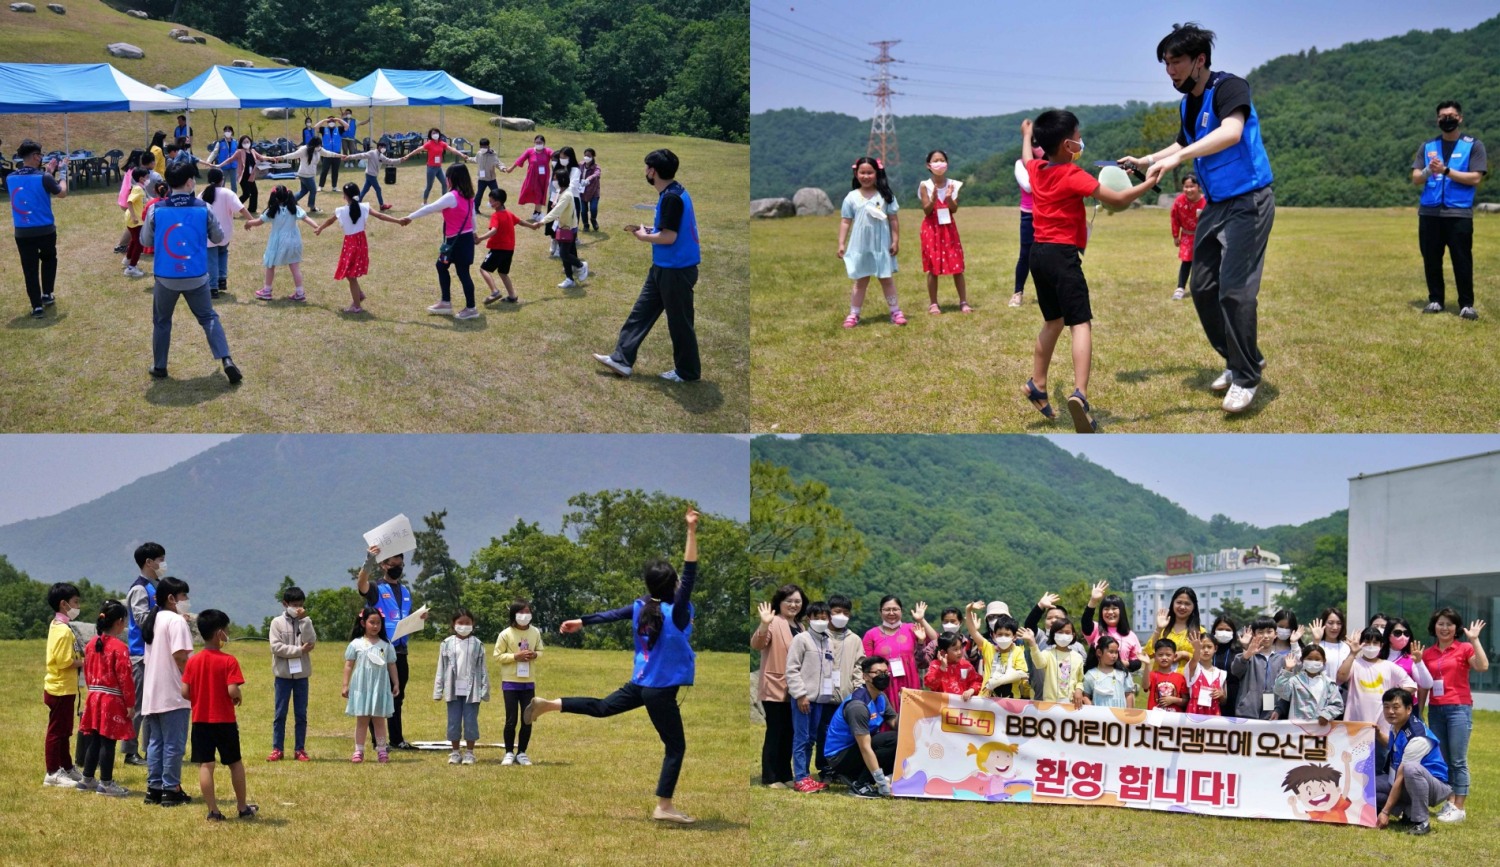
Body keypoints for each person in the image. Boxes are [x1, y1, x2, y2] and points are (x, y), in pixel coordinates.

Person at [1124, 23, 1277, 414]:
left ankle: (1246, 377)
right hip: (1218, 203)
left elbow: (1231, 132)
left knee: (1235, 291)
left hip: (1249, 200)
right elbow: (1183, 141)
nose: (1170, 70)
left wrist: (1179, 158)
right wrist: (1150, 159)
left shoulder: (1229, 88)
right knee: (1204, 285)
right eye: (1166, 63)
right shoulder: (1188, 102)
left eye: (1176, 62)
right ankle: (1241, 359)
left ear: (1200, 60)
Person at [524, 508, 702, 824]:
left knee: (604, 707)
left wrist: (582, 621)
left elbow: (612, 614)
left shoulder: (641, 606)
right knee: (676, 747)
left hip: (642, 683)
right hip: (660, 690)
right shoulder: (679, 610)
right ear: (672, 584)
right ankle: (664, 806)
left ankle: (549, 705)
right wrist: (691, 530)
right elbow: (691, 571)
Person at [1022, 110, 1154, 432]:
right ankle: (1080, 394)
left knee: (1052, 320)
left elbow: (1028, 157)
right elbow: (1118, 199)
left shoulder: (1037, 169)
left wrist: (1026, 135)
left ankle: (1037, 384)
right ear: (1068, 144)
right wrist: (1150, 181)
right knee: (1080, 323)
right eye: (1078, 136)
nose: (1081, 141)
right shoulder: (1073, 175)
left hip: (1037, 255)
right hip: (1063, 256)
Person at [592, 149, 703, 382]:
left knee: (680, 322)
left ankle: (688, 372)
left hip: (676, 270)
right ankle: (621, 360)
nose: (645, 171)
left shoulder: (672, 197)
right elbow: (668, 230)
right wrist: (652, 231)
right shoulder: (673, 191)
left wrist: (644, 236)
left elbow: (670, 237)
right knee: (640, 313)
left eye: (646, 168)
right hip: (662, 267)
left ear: (653, 171)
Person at [142, 163, 242, 384]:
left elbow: (145, 241)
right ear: (189, 182)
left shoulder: (155, 209)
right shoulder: (203, 207)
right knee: (208, 317)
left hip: (166, 277)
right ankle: (226, 359)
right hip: (196, 275)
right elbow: (218, 238)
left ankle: (160, 366)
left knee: (161, 321)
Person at [1413, 101, 1487, 320]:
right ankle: (1435, 300)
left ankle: (1466, 304)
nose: (1447, 119)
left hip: (1458, 214)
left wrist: (1445, 170)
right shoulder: (1427, 147)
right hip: (1430, 213)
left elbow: (1475, 178)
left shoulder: (1473, 145)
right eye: (1443, 116)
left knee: (1462, 259)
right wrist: (1429, 169)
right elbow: (1416, 178)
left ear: (1460, 118)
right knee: (1431, 259)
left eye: (1451, 115)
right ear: (1437, 120)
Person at [181, 609, 257, 821]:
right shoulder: (228, 661)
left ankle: (213, 811)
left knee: (206, 765)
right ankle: (242, 807)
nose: (228, 633)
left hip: (200, 721)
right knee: (235, 763)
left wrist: (200, 699)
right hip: (224, 721)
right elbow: (232, 689)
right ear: (219, 633)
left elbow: (185, 692)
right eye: (227, 630)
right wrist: (238, 695)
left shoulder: (193, 661)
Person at [357, 543, 428, 750]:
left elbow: (404, 617)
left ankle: (397, 739)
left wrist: (419, 618)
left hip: (400, 651)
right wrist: (369, 560)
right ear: (383, 566)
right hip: (379, 649)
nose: (397, 567)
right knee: (378, 695)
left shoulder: (405, 590)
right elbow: (361, 585)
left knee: (398, 696)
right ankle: (378, 741)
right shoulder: (377, 588)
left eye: (400, 564)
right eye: (393, 564)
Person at [1420, 609, 1487, 821]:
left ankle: (1459, 806)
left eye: (1449, 624)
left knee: (1458, 760)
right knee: (1444, 758)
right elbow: (1424, 684)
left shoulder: (1464, 648)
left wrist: (1475, 640)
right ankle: (1450, 802)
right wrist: (1420, 710)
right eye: (1441, 623)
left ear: (1456, 628)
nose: (1445, 628)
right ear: (1434, 626)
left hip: (1459, 708)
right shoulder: (1428, 653)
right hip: (1436, 709)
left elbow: (1482, 666)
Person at [403, 164, 482, 320]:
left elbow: (430, 208)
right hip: (464, 240)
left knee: (461, 273)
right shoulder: (468, 196)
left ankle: (471, 308)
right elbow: (472, 217)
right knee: (443, 266)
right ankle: (446, 302)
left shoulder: (451, 196)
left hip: (456, 241)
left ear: (451, 179)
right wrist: (474, 233)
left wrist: (409, 217)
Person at [140, 576, 193, 807]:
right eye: (184, 596)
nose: (187, 600)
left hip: (152, 693)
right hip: (173, 692)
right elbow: (180, 655)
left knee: (156, 742)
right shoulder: (176, 621)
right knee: (174, 743)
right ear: (171, 598)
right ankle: (171, 788)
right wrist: (190, 681)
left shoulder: (154, 620)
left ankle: (154, 788)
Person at [312, 183, 405, 314]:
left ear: (345, 196)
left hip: (350, 244)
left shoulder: (341, 210)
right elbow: (381, 216)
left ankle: (356, 306)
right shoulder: (364, 207)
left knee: (350, 274)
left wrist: (320, 228)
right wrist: (398, 221)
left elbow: (330, 221)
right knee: (349, 273)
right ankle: (359, 295)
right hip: (361, 242)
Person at [836, 156, 904, 328]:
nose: (866, 176)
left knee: (887, 279)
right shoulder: (851, 197)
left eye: (870, 172)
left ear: (877, 173)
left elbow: (893, 220)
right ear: (856, 173)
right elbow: (845, 221)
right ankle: (854, 314)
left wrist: (895, 240)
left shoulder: (885, 196)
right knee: (860, 281)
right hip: (861, 246)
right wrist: (841, 243)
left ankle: (895, 311)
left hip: (881, 246)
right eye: (862, 172)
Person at [76, 601, 134, 796]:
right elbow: (125, 678)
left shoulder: (91, 644)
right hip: (112, 699)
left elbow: (87, 670)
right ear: (119, 622)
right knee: (108, 741)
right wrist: (130, 704)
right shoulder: (120, 647)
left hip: (94, 697)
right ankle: (106, 783)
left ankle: (87, 778)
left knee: (94, 740)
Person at [751, 583, 806, 789]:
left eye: (797, 601)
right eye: (789, 601)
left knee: (790, 731)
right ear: (779, 603)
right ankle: (771, 776)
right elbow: (757, 644)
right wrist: (764, 624)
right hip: (775, 687)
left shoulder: (801, 627)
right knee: (776, 731)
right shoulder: (774, 622)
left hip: (795, 688)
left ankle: (785, 773)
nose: (793, 605)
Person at [1377, 688, 1451, 836]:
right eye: (1386, 707)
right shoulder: (1397, 725)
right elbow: (1395, 747)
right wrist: (1378, 734)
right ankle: (1408, 812)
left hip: (1434, 786)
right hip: (1407, 781)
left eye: (1396, 707)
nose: (1390, 711)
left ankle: (1421, 821)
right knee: (1369, 784)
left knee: (1411, 769)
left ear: (1409, 709)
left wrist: (1385, 812)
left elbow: (1401, 776)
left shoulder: (1417, 737)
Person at [822, 656, 898, 799]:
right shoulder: (858, 706)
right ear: (865, 676)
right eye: (878, 673)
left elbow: (895, 723)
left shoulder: (881, 697)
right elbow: (865, 747)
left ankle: (882, 778)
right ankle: (860, 785)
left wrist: (908, 706)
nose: (884, 676)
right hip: (840, 756)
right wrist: (881, 783)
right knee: (892, 741)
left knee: (898, 738)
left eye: (886, 672)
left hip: (858, 747)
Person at [7, 140, 67, 318]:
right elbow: (61, 192)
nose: (41, 158)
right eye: (40, 155)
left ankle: (36, 306)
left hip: (23, 231)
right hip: (45, 229)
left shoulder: (10, 178)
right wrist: (62, 174)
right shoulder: (44, 177)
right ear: (35, 156)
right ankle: (47, 293)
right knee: (49, 260)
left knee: (29, 268)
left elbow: (30, 187)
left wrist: (48, 172)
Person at [785, 600, 840, 793]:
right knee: (801, 737)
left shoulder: (828, 641)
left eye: (825, 618)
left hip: (820, 700)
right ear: (809, 619)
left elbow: (830, 670)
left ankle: (807, 776)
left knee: (811, 739)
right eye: (817, 618)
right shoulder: (801, 639)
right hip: (804, 699)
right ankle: (800, 777)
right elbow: (792, 669)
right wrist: (800, 695)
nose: (821, 621)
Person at [123, 543, 166, 766]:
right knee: (138, 705)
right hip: (140, 654)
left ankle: (150, 750)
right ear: (149, 562)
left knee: (152, 705)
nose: (163, 564)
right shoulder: (140, 589)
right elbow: (141, 621)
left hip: (154, 654)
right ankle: (130, 751)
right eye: (160, 559)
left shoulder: (156, 586)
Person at [243, 184, 321, 302]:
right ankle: (300, 292)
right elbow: (306, 218)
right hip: (294, 241)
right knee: (295, 267)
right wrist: (316, 226)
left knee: (270, 265)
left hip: (277, 242)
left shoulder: (272, 211)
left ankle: (267, 291)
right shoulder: (294, 208)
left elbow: (258, 222)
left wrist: (249, 223)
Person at [342, 607, 400, 764]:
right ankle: (358, 750)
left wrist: (396, 683)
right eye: (371, 622)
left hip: (379, 688)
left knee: (379, 721)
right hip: (362, 687)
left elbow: (392, 665)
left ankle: (382, 750)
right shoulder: (356, 644)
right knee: (362, 720)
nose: (375, 626)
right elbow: (349, 665)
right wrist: (345, 685)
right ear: (363, 623)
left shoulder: (386, 645)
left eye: (378, 623)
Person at [432, 608, 489, 766]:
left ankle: (470, 753)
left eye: (467, 623)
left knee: (471, 721)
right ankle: (455, 752)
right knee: (453, 721)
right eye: (460, 623)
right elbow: (441, 668)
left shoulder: (478, 644)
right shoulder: (446, 643)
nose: (464, 626)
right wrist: (438, 691)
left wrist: (485, 690)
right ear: (453, 624)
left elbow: (483, 668)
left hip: (473, 690)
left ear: (473, 624)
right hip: (453, 688)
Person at [859, 596, 932, 716]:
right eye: (887, 609)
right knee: (887, 722)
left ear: (901, 611)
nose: (891, 613)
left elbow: (936, 640)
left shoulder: (911, 628)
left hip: (910, 683)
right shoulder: (871, 634)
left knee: (911, 721)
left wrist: (921, 620)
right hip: (883, 686)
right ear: (880, 612)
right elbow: (866, 665)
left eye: (895, 609)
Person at [918, 149, 971, 314]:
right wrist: (933, 199)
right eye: (935, 160)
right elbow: (926, 211)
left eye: (942, 160)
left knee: (957, 266)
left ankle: (963, 301)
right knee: (933, 268)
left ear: (947, 163)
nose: (939, 163)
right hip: (931, 229)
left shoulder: (953, 184)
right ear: (929, 165)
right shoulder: (924, 185)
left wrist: (948, 198)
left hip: (948, 228)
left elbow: (954, 209)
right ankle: (933, 303)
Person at [267, 586, 315, 762]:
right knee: (280, 713)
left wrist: (305, 621)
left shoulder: (305, 621)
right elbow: (276, 647)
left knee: (301, 714)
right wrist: (298, 650)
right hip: (283, 676)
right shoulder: (276, 623)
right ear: (285, 604)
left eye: (301, 605)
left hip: (301, 676)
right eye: (294, 605)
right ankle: (277, 748)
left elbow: (311, 642)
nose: (298, 608)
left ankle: (300, 749)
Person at [492, 599, 542, 767]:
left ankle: (522, 752)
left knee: (527, 718)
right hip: (511, 682)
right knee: (511, 719)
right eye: (521, 612)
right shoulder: (505, 634)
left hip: (528, 682)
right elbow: (497, 656)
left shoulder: (535, 632)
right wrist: (515, 657)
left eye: (527, 612)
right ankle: (508, 752)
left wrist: (535, 655)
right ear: (514, 614)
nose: (524, 616)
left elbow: (541, 650)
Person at [42, 582, 83, 787]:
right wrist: (84, 661)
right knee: (57, 732)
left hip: (65, 688)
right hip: (59, 688)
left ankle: (66, 766)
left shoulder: (60, 626)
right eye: (75, 602)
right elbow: (64, 661)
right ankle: (52, 772)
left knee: (65, 730)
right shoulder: (63, 630)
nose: (78, 606)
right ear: (63, 604)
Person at [476, 187, 542, 305]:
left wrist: (481, 238)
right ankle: (512, 296)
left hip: (498, 249)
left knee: (484, 269)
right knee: (503, 272)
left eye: (491, 201)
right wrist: (532, 226)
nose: (489, 203)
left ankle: (495, 291)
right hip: (509, 250)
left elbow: (494, 230)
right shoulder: (509, 214)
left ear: (498, 202)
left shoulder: (496, 216)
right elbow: (520, 221)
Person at [201, 168, 251, 298]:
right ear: (222, 180)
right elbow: (242, 209)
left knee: (211, 259)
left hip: (208, 234)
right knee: (223, 253)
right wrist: (252, 221)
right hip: (225, 232)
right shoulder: (228, 193)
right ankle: (221, 279)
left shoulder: (202, 194)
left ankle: (213, 287)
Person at [1011, 121, 1043, 307]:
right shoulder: (1019, 164)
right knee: (1026, 254)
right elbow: (1030, 186)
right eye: (1033, 143)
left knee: (1047, 254)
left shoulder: (1051, 162)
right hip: (1029, 215)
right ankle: (1018, 292)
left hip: (1047, 213)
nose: (1037, 148)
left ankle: (1047, 291)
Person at [1080, 580, 1143, 672]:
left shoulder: (1131, 635)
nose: (1110, 612)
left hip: (1120, 681)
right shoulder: (1096, 629)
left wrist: (1125, 663)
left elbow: (1137, 662)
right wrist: (1093, 600)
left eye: (1114, 608)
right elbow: (1085, 622)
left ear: (1121, 611)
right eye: (1106, 609)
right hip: (1096, 681)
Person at [1231, 616, 1284, 720]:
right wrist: (1247, 654)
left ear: (1276, 634)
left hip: (1271, 713)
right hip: (1246, 713)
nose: (1265, 636)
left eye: (1269, 632)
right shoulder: (1248, 656)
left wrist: (1279, 709)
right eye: (1260, 632)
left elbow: (1285, 688)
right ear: (1254, 634)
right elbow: (1235, 671)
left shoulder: (1281, 659)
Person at [403, 127, 473, 204]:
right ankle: (424, 203)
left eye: (436, 133)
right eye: (433, 133)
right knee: (429, 186)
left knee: (445, 183)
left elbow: (452, 149)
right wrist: (408, 155)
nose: (435, 134)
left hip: (439, 168)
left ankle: (444, 201)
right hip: (431, 168)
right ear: (430, 135)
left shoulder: (442, 143)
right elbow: (418, 150)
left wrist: (462, 155)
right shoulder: (429, 144)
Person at [1275, 644, 1343, 722]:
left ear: (1324, 661)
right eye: (1309, 659)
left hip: (1320, 728)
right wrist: (1287, 670)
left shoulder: (1329, 684)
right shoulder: (1295, 680)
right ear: (1302, 659)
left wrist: (1326, 715)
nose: (1313, 662)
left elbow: (1338, 705)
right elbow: (1280, 690)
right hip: (1297, 728)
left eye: (1317, 659)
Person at [1023, 620, 1083, 705]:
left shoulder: (1078, 657)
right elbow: (1039, 663)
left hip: (1071, 704)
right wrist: (1032, 642)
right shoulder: (1048, 653)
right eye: (1060, 632)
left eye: (1067, 632)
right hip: (1050, 704)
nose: (1064, 635)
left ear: (1073, 635)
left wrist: (1079, 689)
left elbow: (1080, 679)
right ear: (1053, 634)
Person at [541, 184, 588, 289]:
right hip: (561, 226)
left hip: (568, 228)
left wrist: (542, 221)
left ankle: (581, 265)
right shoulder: (559, 191)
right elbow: (554, 206)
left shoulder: (566, 195)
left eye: (556, 179)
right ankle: (569, 279)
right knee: (567, 254)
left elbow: (556, 210)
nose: (554, 181)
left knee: (563, 253)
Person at [1149, 586, 1206, 673]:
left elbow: (1205, 659)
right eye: (1179, 602)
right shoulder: (1163, 629)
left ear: (1194, 606)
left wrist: (1185, 655)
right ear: (1173, 604)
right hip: (1160, 682)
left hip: (1186, 682)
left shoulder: (1199, 632)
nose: (1182, 607)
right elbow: (1149, 653)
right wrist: (1159, 629)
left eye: (1187, 604)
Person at [287, 134, 344, 213]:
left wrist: (340, 155)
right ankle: (312, 207)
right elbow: (293, 155)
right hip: (305, 175)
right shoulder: (304, 149)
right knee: (313, 190)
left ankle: (291, 201)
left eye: (320, 145)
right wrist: (280, 157)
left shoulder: (319, 149)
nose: (319, 147)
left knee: (304, 191)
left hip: (308, 174)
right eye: (318, 145)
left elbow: (328, 153)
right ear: (314, 144)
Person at [1170, 174, 1206, 299]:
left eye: (1192, 186)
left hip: (1204, 236)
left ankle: (1202, 288)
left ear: (1199, 187)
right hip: (1187, 236)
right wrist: (1175, 235)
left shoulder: (1206, 201)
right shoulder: (1179, 201)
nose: (1189, 190)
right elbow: (1174, 218)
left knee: (1203, 262)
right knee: (1186, 262)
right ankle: (1180, 287)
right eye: (1186, 187)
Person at [342, 139, 400, 212]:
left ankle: (356, 203)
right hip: (370, 175)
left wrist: (400, 160)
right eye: (382, 147)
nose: (384, 149)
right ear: (378, 147)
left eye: (384, 147)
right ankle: (382, 205)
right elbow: (361, 155)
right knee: (378, 189)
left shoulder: (381, 156)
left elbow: (389, 161)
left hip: (372, 175)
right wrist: (349, 157)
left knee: (364, 190)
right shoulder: (372, 153)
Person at [1080, 635, 1136, 709]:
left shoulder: (1123, 674)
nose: (1114, 655)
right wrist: (1092, 709)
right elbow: (1085, 696)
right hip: (1100, 718)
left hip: (1119, 717)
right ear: (1099, 652)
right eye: (1111, 652)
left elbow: (1128, 694)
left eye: (1116, 652)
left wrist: (1129, 713)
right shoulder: (1090, 675)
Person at [507, 134, 554, 220]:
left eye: (540, 142)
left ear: (544, 143)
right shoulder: (530, 151)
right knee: (534, 193)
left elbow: (555, 156)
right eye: (537, 142)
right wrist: (511, 168)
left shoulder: (547, 151)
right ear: (534, 142)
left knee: (540, 193)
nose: (538, 144)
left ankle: (537, 213)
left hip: (543, 178)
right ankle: (537, 213)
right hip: (532, 177)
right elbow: (520, 159)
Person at [923, 633, 983, 698]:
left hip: (963, 705)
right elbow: (930, 684)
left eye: (960, 648)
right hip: (943, 705)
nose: (959, 652)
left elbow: (977, 681)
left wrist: (971, 690)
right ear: (943, 652)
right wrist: (942, 669)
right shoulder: (935, 665)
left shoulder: (965, 665)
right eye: (955, 649)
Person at [1208, 615, 1244, 716]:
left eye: (1228, 630)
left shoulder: (1238, 651)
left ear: (1233, 632)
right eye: (1220, 629)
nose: (1224, 632)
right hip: (1209, 694)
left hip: (1233, 697)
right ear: (1214, 631)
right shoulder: (1208, 649)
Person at [1183, 635, 1226, 715]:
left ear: (1215, 648)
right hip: (1194, 711)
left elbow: (1224, 701)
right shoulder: (1194, 668)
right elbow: (1195, 659)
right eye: (1202, 647)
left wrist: (1221, 695)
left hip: (1214, 712)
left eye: (1209, 647)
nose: (1206, 650)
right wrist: (1197, 649)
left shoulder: (1221, 673)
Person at [122, 166, 150, 279]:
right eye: (147, 177)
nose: (149, 179)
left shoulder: (140, 188)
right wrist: (134, 216)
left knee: (134, 241)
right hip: (135, 220)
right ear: (142, 178)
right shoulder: (138, 189)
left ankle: (128, 259)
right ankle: (131, 268)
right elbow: (129, 202)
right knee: (139, 244)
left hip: (136, 219)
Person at [1145, 638, 1188, 711]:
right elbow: (1145, 686)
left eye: (1168, 655)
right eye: (1160, 655)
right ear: (1155, 656)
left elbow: (1186, 701)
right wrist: (1146, 664)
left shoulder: (1180, 677)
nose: (1164, 658)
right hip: (1155, 717)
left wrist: (1173, 700)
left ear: (1174, 656)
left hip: (1173, 719)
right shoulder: (1152, 675)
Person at [315, 115, 347, 190]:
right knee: (324, 170)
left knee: (335, 171)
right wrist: (323, 120)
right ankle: (320, 186)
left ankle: (334, 186)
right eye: (329, 121)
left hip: (337, 153)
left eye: (333, 121)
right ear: (327, 122)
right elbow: (316, 127)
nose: (331, 122)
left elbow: (347, 126)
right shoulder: (324, 129)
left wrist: (338, 119)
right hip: (326, 153)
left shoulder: (339, 129)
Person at [208, 126, 240, 194]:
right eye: (226, 131)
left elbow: (239, 153)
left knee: (234, 185)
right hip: (223, 166)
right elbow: (214, 153)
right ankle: (220, 196)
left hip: (233, 166)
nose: (227, 132)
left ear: (232, 132)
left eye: (229, 131)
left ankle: (233, 198)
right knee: (221, 183)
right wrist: (208, 161)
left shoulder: (236, 142)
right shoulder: (220, 142)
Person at [473, 138, 502, 213]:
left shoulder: (493, 155)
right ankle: (475, 209)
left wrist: (503, 168)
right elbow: (475, 159)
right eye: (481, 146)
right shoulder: (479, 153)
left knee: (497, 194)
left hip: (491, 179)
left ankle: (501, 209)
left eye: (485, 147)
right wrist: (467, 158)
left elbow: (498, 163)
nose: (483, 148)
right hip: (481, 179)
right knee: (479, 194)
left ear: (488, 146)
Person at [580, 148, 602, 231]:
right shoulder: (580, 165)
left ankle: (593, 219)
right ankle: (586, 225)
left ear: (593, 156)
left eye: (588, 156)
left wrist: (588, 179)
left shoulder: (596, 167)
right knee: (583, 210)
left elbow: (597, 174)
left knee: (593, 208)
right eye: (585, 155)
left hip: (593, 191)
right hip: (582, 191)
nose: (586, 157)